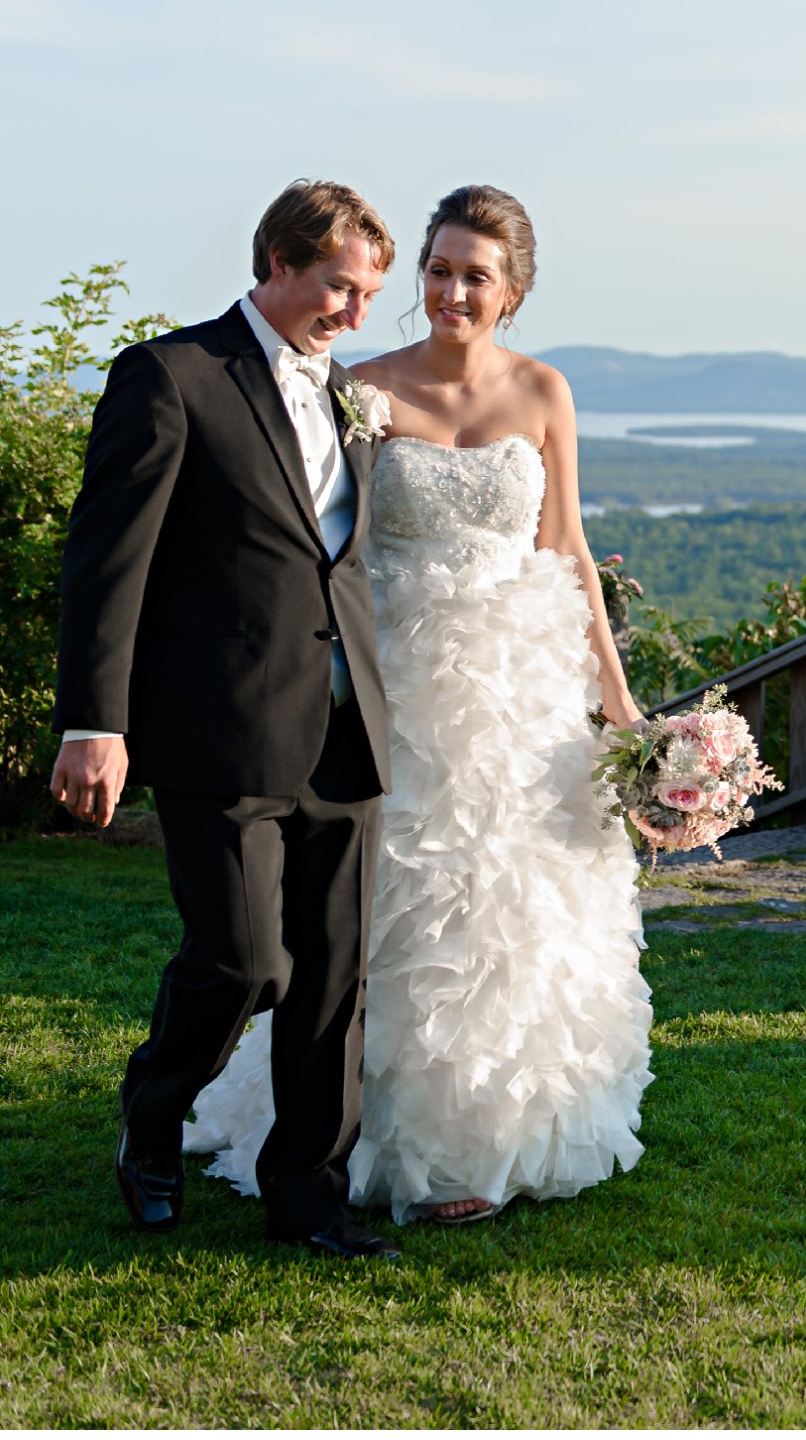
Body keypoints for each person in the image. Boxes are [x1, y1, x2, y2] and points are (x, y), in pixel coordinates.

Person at [183, 184, 654, 1225]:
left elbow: (566, 548)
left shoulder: (543, 391)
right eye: (437, 269)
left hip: (521, 695)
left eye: (472, 274)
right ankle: (357, 1130)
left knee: (510, 909)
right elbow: (317, 541)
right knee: (393, 912)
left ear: (512, 290)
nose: (448, 290)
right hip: (392, 684)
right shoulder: (358, 389)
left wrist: (618, 708)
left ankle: (490, 1138)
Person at [53, 180, 404, 1260]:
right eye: (339, 286)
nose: (353, 313)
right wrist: (92, 722)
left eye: (366, 294)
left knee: (332, 981)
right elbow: (107, 563)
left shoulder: (347, 392)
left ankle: (309, 1198)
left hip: (348, 727)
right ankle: (151, 1114)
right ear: (278, 262)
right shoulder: (172, 376)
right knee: (246, 960)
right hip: (219, 727)